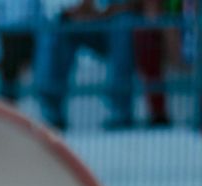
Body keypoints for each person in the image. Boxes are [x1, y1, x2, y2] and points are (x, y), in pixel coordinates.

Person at [35, 1, 164, 129]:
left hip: (116, 20)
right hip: (80, 19)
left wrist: (109, 10)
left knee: (123, 25)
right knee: (55, 28)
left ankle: (120, 113)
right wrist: (79, 11)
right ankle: (51, 115)